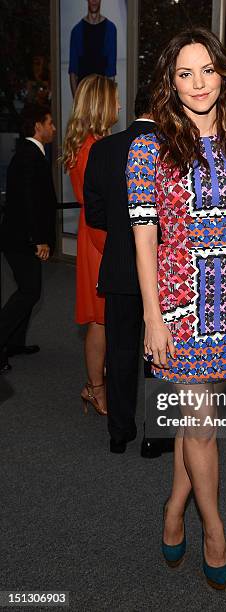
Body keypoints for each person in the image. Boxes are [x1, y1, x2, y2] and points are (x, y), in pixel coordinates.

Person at [127, 28, 226, 590]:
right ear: (170, 81)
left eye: (207, 70)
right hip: (178, 302)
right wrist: (151, 317)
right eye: (184, 73)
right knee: (202, 425)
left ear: (224, 74)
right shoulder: (150, 147)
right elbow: (145, 238)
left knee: (194, 423)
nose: (197, 84)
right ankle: (214, 528)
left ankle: (172, 507)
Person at [84, 85, 169, 456]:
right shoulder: (172, 150)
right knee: (161, 354)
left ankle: (119, 433)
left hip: (119, 265)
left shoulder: (104, 148)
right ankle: (155, 437)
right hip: (165, 270)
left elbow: (95, 214)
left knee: (120, 352)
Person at [63, 75, 119, 415]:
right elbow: (99, 205)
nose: (119, 105)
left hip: (98, 235)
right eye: (114, 99)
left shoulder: (91, 144)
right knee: (100, 320)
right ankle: (95, 388)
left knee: (105, 319)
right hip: (100, 239)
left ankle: (97, 384)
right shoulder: (90, 149)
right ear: (100, 104)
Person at [0, 104, 57, 373]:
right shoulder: (29, 156)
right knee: (29, 291)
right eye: (50, 123)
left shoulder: (32, 153)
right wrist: (39, 240)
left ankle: (14, 343)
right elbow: (27, 203)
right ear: (38, 126)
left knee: (28, 290)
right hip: (21, 239)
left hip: (20, 237)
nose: (53, 128)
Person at [69, 0, 117, 97]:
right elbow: (73, 71)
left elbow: (111, 72)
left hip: (102, 96)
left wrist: (108, 102)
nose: (94, 1)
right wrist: (77, 102)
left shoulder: (110, 29)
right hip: (83, 97)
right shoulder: (77, 31)